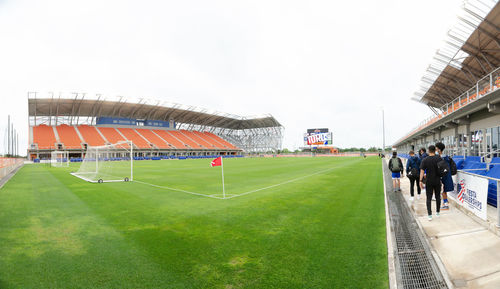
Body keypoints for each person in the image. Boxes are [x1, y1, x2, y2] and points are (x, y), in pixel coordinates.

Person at [419, 145, 441, 221]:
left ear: (428, 151)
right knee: (438, 196)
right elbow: (442, 169)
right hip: (437, 180)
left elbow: (422, 171)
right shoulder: (439, 158)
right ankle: (438, 212)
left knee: (429, 198)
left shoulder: (425, 160)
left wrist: (420, 181)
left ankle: (429, 215)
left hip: (429, 181)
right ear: (435, 150)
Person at [435, 142, 453, 211]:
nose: (435, 149)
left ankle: (446, 205)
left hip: (443, 176)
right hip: (446, 175)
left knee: (443, 190)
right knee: (444, 190)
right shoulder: (446, 157)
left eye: (436, 148)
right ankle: (445, 201)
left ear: (439, 149)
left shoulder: (441, 158)